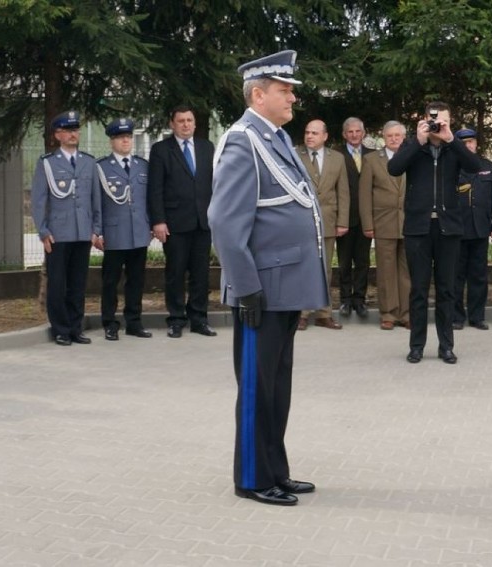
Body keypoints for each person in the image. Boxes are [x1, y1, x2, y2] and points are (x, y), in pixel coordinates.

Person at [209, 49, 328, 506]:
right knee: (259, 387)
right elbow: (225, 225)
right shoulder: (243, 140)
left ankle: (276, 468)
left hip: (285, 286)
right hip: (262, 288)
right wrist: (247, 289)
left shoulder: (273, 136)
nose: (292, 98)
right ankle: (253, 477)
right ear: (258, 94)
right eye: (284, 90)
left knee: (277, 385)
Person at [388, 101, 482, 365]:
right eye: (433, 120)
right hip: (418, 228)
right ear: (423, 119)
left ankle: (446, 346)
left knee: (447, 290)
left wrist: (452, 139)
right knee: (418, 290)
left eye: (442, 121)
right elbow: (394, 169)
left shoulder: (454, 148)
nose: (437, 125)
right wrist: (417, 141)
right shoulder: (414, 147)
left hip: (448, 228)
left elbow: (475, 166)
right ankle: (416, 345)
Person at [30, 110, 101, 346]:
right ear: (58, 135)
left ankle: (75, 327)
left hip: (82, 232)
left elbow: (95, 199)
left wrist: (96, 228)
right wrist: (42, 230)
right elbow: (39, 200)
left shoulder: (89, 162)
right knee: (58, 284)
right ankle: (60, 329)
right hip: (58, 234)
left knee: (78, 284)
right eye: (68, 131)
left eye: (75, 130)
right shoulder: (47, 164)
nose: (73, 134)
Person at [147, 104, 216, 338]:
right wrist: (158, 221)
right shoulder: (161, 150)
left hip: (202, 223)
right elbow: (154, 189)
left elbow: (214, 185)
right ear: (172, 124)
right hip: (174, 223)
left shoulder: (207, 148)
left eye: (189, 120)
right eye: (181, 121)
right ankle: (176, 319)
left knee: (201, 274)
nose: (186, 124)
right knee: (175, 273)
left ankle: (199, 319)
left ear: (195, 123)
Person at [95, 118, 154, 340]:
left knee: (136, 280)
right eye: (121, 137)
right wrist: (97, 231)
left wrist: (149, 223)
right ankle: (110, 322)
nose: (126, 141)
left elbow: (148, 199)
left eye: (128, 136)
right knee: (110, 281)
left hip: (138, 233)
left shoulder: (142, 166)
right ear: (112, 141)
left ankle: (134, 322)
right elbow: (97, 203)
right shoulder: (101, 168)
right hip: (114, 233)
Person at [296, 119, 350, 330]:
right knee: (303, 268)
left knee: (325, 269)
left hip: (328, 220)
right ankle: (301, 313)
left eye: (315, 133)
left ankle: (323, 313)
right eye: (307, 132)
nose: (309, 136)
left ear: (325, 136)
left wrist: (342, 221)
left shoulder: (337, 158)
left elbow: (343, 192)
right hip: (302, 220)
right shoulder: (295, 155)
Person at [359, 120, 410, 330]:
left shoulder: (413, 157)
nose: (394, 139)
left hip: (410, 223)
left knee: (408, 270)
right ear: (384, 137)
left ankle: (407, 314)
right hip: (383, 223)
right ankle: (388, 313)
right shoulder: (371, 160)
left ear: (404, 137)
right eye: (390, 136)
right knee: (386, 270)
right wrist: (368, 224)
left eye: (398, 135)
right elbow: (364, 195)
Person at [451, 128, 492, 331]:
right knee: (456, 276)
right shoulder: (452, 165)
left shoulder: (486, 165)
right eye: (463, 143)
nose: (468, 146)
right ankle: (456, 317)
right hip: (458, 229)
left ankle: (477, 316)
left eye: (471, 142)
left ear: (476, 144)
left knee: (479, 276)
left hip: (480, 228)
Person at [336, 117, 373, 319]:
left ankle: (360, 301)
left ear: (364, 133)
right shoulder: (337, 155)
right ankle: (345, 301)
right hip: (344, 218)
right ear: (344, 134)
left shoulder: (373, 156)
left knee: (363, 262)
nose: (354, 135)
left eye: (357, 131)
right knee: (343, 263)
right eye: (350, 132)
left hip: (366, 219)